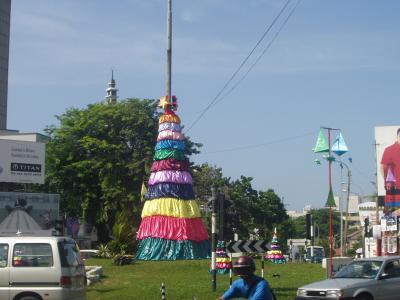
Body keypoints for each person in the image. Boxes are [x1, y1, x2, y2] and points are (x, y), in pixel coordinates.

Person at [380, 128, 400, 207]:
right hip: (394, 190)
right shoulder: (389, 150)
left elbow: (382, 169)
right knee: (394, 215)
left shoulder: (388, 150)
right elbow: (382, 168)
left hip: (393, 189)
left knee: (393, 216)